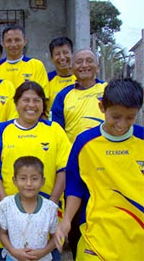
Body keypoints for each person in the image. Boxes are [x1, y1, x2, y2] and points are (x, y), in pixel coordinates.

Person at [54, 78, 144, 260]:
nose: (122, 124)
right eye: (116, 117)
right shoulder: (84, 142)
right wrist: (66, 221)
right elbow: (74, 188)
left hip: (137, 236)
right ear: (102, 107)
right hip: (95, 237)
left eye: (130, 117)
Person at [0, 81, 70, 261]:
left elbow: (65, 169)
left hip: (47, 222)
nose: (31, 105)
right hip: (10, 225)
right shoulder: (1, 130)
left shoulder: (54, 130)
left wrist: (50, 206)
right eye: (25, 100)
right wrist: (7, 204)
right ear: (16, 103)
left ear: (43, 104)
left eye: (37, 100)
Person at [0, 156, 58, 261]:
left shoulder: (50, 208)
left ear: (42, 181)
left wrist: (43, 252)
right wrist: (13, 251)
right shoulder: (6, 205)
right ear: (14, 180)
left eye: (34, 178)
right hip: (13, 258)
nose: (29, 183)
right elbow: (2, 234)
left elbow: (55, 238)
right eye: (23, 178)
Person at [51, 48, 107, 143]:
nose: (84, 65)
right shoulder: (63, 96)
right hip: (75, 154)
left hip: (104, 152)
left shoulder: (108, 89)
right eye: (79, 62)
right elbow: (56, 131)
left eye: (89, 61)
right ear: (71, 69)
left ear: (98, 67)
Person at [0, 24, 49, 95]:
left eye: (17, 40)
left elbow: (42, 96)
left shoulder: (36, 65)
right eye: (9, 41)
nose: (13, 44)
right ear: (3, 43)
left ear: (25, 41)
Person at [46, 37, 76, 116]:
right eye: (57, 54)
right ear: (51, 58)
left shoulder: (80, 78)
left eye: (65, 52)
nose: (62, 57)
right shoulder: (46, 80)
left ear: (72, 54)